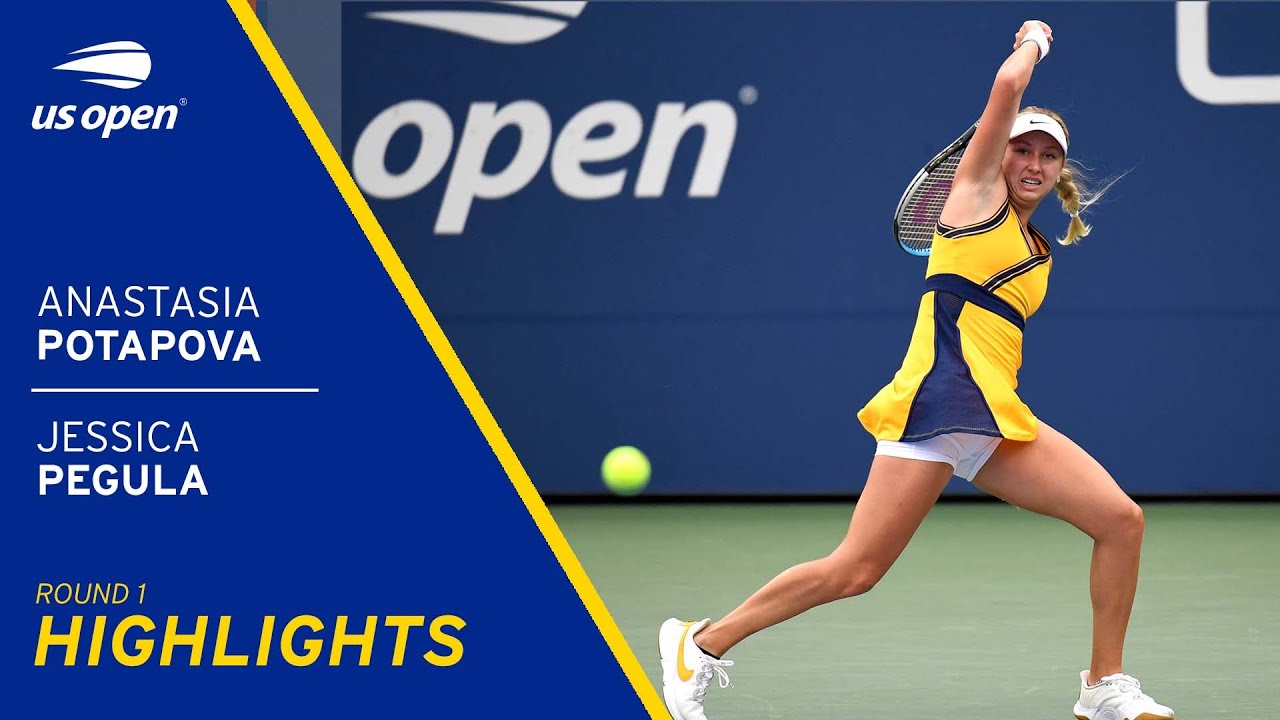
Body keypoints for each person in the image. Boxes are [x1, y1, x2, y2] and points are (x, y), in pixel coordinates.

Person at [658, 20, 1175, 720]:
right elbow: (1007, 85)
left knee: (1120, 520)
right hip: (934, 405)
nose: (1032, 162)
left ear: (1060, 171)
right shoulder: (973, 198)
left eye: (1047, 155)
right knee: (855, 570)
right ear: (997, 152)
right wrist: (1034, 39)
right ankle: (700, 644)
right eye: (1021, 147)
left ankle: (1103, 686)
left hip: (991, 417)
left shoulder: (1038, 248)